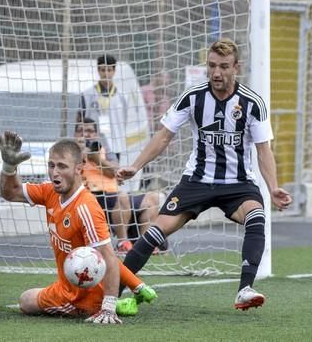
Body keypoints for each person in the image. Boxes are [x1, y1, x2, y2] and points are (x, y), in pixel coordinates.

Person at [116, 38, 293, 310]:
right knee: (155, 232)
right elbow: (164, 136)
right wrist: (136, 166)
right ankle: (110, 293)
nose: (216, 73)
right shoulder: (193, 96)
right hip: (196, 181)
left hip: (238, 184)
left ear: (237, 67)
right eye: (211, 66)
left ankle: (245, 288)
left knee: (257, 216)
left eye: (223, 66)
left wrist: (273, 188)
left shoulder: (252, 102)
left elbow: (263, 150)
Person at [0, 131, 157, 322]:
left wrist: (109, 306)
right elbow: (11, 192)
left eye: (62, 166)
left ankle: (97, 307)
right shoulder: (50, 192)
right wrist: (9, 166)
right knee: (27, 299)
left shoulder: (86, 207)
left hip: (83, 296)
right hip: (66, 286)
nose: (55, 172)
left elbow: (108, 257)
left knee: (26, 301)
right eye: (51, 165)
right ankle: (114, 304)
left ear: (79, 169)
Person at [74, 119, 163, 254]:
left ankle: (145, 244)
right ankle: (123, 243)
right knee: (122, 197)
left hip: (111, 196)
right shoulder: (69, 152)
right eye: (80, 131)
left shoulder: (104, 149)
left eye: (89, 131)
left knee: (153, 199)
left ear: (96, 134)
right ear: (74, 134)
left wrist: (96, 159)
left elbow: (115, 171)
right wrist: (79, 154)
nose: (85, 134)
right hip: (86, 198)